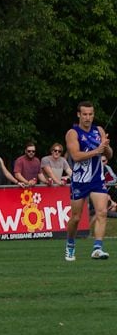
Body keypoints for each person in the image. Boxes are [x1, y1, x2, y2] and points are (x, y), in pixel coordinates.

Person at [64, 101, 111, 261]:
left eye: (90, 114)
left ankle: (97, 248)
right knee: (76, 218)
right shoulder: (73, 133)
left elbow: (108, 155)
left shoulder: (99, 130)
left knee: (102, 212)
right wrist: (96, 150)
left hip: (97, 178)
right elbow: (76, 156)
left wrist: (106, 147)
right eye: (84, 114)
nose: (88, 117)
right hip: (80, 180)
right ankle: (70, 244)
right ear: (79, 115)